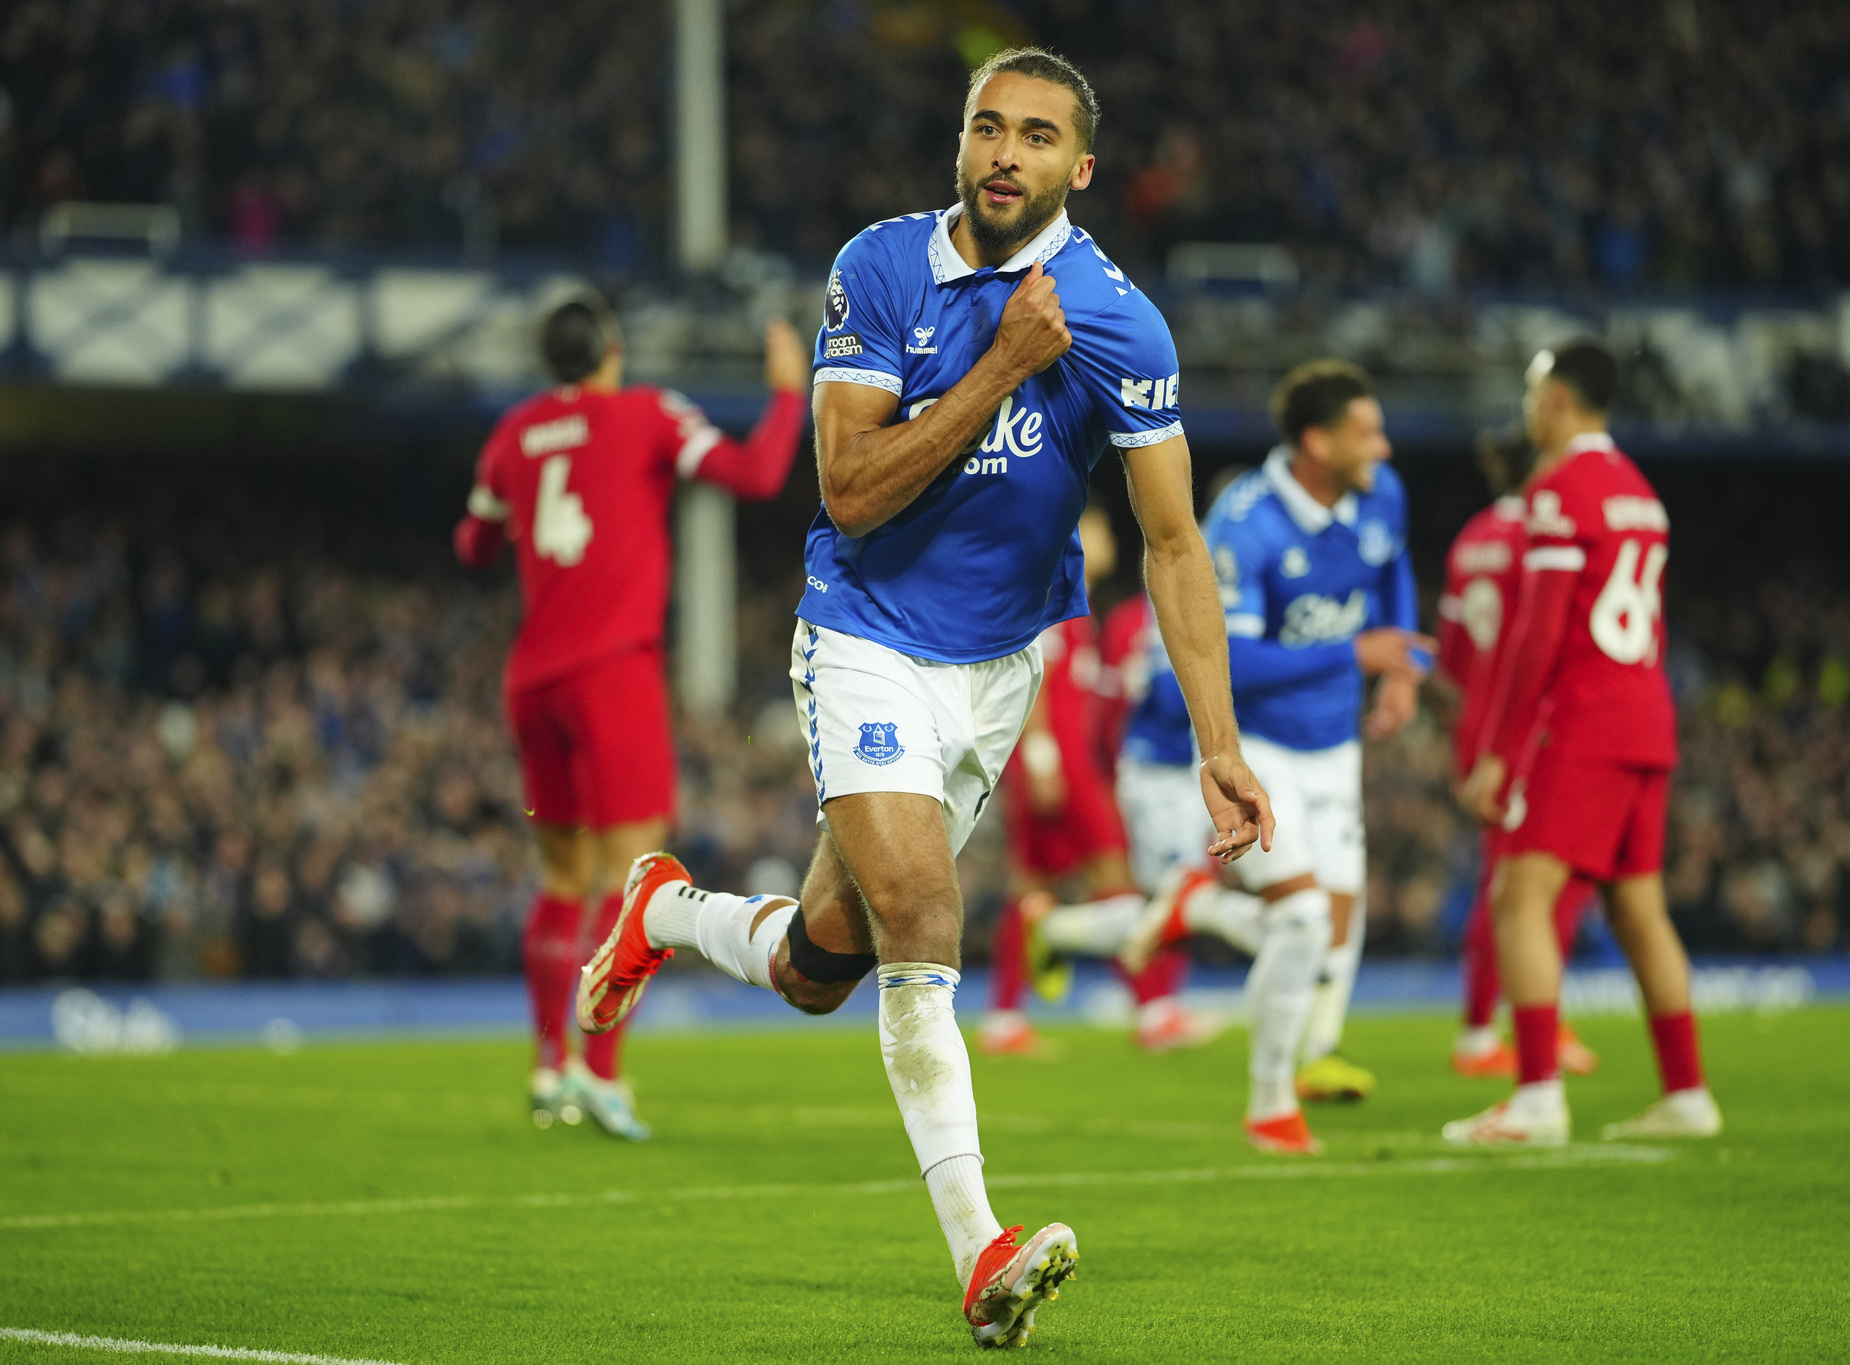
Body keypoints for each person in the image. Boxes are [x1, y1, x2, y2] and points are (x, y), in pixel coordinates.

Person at [575, 48, 1272, 1349]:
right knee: (922, 910)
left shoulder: (1121, 321)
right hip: (866, 630)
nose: (1007, 153)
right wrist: (1005, 364)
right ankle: (983, 1252)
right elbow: (847, 487)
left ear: (1081, 166)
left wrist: (1219, 742)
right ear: (962, 140)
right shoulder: (882, 268)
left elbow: (1173, 545)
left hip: (1003, 667)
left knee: (817, 964)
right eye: (988, 128)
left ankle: (664, 910)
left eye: (1038, 137)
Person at [453, 292, 807, 1138]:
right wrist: (789, 393)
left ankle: (548, 1066)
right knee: (635, 880)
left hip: (532, 680)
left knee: (561, 880)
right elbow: (756, 473)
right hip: (611, 671)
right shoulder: (645, 412)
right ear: (612, 350)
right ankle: (601, 1074)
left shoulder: (512, 434)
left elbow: (471, 544)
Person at [1129, 360, 1432, 1155]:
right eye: (1366, 432)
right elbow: (1234, 660)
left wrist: (1402, 668)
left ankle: (1301, 1050)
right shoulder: (1246, 522)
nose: (1385, 448)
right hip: (1258, 745)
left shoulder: (1380, 498)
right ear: (1315, 441)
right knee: (1299, 918)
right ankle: (1270, 1104)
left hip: (1336, 749)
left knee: (1337, 920)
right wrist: (1355, 652)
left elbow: (1394, 569)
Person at [1450, 338, 1722, 1145]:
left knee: (1517, 896)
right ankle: (1687, 1092)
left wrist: (1498, 749)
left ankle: (1536, 1096)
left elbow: (1537, 635)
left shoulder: (1558, 489)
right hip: (1648, 715)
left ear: (1558, 400)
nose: (1529, 409)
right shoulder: (1641, 490)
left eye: (1534, 393)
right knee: (1641, 908)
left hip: (1587, 718)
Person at [979, 502, 1212, 1057]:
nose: (1110, 539)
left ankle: (1005, 1020)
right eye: (1100, 527)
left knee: (1031, 891)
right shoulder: (1053, 595)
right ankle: (1155, 1010)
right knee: (1116, 882)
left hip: (1057, 763)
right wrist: (1041, 758)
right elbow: (1031, 677)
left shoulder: (1073, 602)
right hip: (1060, 766)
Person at [1436, 428, 1600, 1079]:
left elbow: (1450, 661)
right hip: (1527, 728)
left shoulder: (1470, 539)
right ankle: (1487, 1032)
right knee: (1532, 882)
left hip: (1478, 723)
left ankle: (1508, 1020)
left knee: (1509, 878)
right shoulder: (1541, 534)